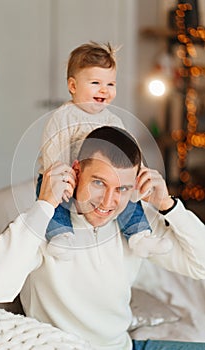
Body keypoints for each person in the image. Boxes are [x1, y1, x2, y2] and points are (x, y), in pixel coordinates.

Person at [0, 126, 205, 350]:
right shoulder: (44, 226)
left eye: (122, 189)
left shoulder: (137, 228)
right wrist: (44, 205)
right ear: (76, 172)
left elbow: (201, 266)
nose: (107, 202)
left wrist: (168, 206)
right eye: (98, 183)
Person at [37, 41, 167, 258]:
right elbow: (54, 148)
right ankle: (61, 236)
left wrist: (139, 173)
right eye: (96, 82)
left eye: (110, 84)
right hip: (66, 176)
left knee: (125, 198)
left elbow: (129, 150)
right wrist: (62, 178)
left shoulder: (112, 119)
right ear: (73, 86)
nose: (104, 90)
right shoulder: (64, 117)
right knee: (55, 203)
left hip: (102, 178)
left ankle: (139, 236)